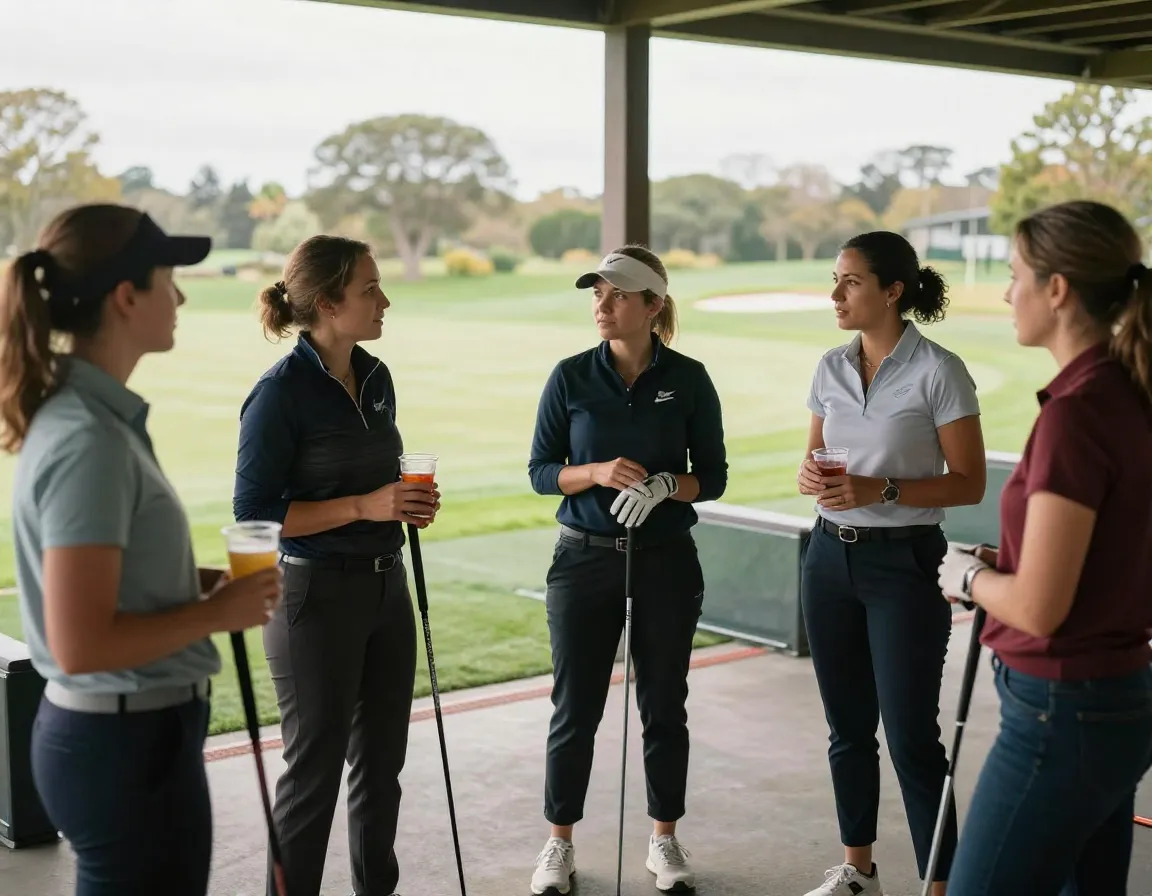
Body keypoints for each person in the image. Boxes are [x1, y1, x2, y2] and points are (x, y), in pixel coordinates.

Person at [0, 204, 282, 896]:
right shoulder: (87, 440)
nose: (181, 297)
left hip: (134, 738)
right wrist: (221, 612)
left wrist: (192, 582)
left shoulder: (95, 419)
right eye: (167, 280)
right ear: (127, 296)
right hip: (121, 749)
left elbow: (108, 580)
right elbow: (81, 644)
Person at [937, 200, 1152, 895]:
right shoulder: (1128, 394)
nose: (1007, 292)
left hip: (1060, 712)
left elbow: (1040, 608)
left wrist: (968, 577)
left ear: (1056, 289)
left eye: (1015, 274)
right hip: (1116, 699)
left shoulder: (1076, 414)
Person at [232, 235, 440, 896]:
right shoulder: (279, 394)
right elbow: (255, 518)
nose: (385, 300)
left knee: (382, 771)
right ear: (327, 303)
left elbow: (380, 489)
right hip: (313, 600)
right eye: (370, 289)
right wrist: (363, 505)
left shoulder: (376, 377)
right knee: (313, 778)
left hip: (387, 595)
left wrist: (405, 504)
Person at [526, 244, 728, 895]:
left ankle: (664, 840)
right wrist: (594, 473)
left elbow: (714, 478)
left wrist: (671, 483)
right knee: (574, 707)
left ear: (652, 305)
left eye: (616, 295)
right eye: (597, 295)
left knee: (664, 704)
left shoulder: (690, 378)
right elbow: (539, 472)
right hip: (583, 560)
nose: (602, 306)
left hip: (667, 561)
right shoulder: (570, 377)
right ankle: (559, 844)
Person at [796, 231, 987, 896]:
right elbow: (819, 454)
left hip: (905, 566)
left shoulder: (940, 370)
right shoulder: (830, 366)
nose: (836, 294)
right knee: (846, 729)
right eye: (836, 280)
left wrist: (886, 489)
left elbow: (968, 482)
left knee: (910, 738)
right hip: (827, 559)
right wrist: (812, 477)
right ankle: (858, 870)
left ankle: (942, 885)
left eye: (850, 282)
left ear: (893, 290)